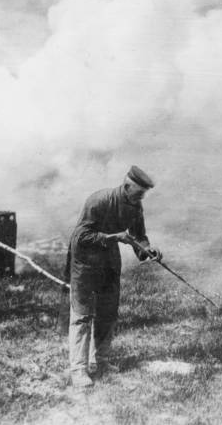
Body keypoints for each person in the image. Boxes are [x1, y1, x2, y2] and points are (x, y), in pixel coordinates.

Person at [67, 165, 162, 388]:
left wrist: (148, 251)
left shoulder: (136, 206)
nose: (141, 198)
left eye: (143, 195)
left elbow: (140, 236)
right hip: (85, 263)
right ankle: (78, 369)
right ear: (127, 186)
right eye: (139, 193)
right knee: (81, 315)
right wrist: (114, 237)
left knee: (107, 313)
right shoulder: (98, 200)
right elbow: (80, 236)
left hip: (108, 262)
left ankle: (101, 361)